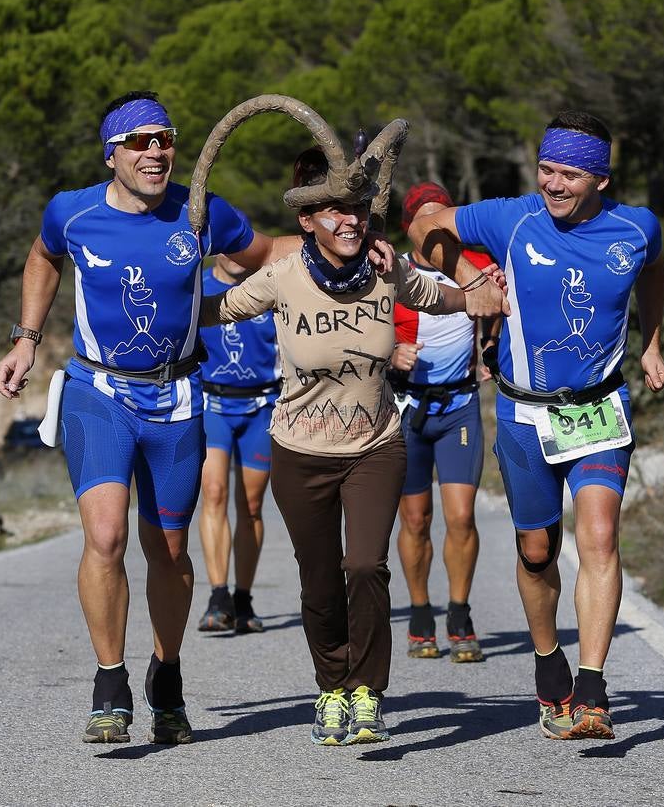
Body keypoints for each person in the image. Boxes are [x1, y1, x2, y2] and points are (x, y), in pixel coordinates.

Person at [0, 91, 389, 746]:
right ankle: (110, 682)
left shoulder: (201, 213)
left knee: (171, 550)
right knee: (106, 536)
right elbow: (43, 256)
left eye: (164, 139)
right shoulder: (74, 211)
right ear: (111, 153)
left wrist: (348, 235)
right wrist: (26, 337)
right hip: (99, 393)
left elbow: (267, 251)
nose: (156, 152)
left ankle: (166, 673)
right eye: (140, 142)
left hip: (177, 399)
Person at [200, 147, 503, 747]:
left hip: (375, 444)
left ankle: (367, 690)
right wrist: (163, 293)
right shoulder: (282, 276)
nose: (349, 220)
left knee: (364, 565)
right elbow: (216, 310)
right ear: (307, 220)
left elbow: (435, 295)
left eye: (357, 209)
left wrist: (477, 295)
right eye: (333, 210)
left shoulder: (387, 270)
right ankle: (331, 688)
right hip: (299, 449)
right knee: (317, 576)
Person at [408, 110, 664, 741]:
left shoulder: (636, 229)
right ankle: (548, 659)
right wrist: (471, 278)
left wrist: (652, 343)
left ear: (601, 179)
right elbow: (422, 227)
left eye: (570, 174)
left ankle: (593, 690)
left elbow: (655, 271)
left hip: (599, 409)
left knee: (600, 537)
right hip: (525, 413)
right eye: (547, 169)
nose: (554, 184)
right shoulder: (512, 217)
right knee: (536, 551)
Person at [390, 182, 500, 664]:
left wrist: (490, 350)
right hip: (406, 407)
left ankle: (458, 612)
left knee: (460, 517)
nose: (436, 228)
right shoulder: (390, 270)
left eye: (444, 218)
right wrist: (391, 355)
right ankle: (419, 613)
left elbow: (500, 307)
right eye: (425, 220)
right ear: (410, 228)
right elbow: (360, 326)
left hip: (458, 406)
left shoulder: (475, 269)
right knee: (416, 519)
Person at [197, 254, 281, 635]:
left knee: (250, 505)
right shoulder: (198, 285)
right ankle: (218, 596)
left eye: (242, 246)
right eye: (227, 246)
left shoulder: (268, 285)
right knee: (213, 493)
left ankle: (243, 597)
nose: (235, 255)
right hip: (211, 404)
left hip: (261, 406)